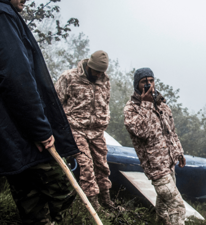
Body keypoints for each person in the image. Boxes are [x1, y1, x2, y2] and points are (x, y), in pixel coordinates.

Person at [0, 0, 80, 224]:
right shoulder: (4, 16)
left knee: (29, 200)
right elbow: (17, 79)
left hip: (11, 136)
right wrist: (41, 129)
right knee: (61, 189)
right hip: (23, 133)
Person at [54, 50, 116, 211]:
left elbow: (106, 103)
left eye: (101, 72)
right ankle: (93, 205)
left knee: (102, 166)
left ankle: (106, 200)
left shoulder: (105, 81)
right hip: (75, 129)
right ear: (89, 65)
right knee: (86, 165)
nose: (98, 74)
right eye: (96, 70)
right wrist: (58, 129)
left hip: (96, 132)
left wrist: (105, 119)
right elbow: (55, 103)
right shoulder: (69, 77)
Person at [124, 68, 186, 225]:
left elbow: (171, 131)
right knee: (177, 206)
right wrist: (146, 104)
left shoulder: (161, 104)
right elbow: (142, 132)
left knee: (164, 205)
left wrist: (179, 152)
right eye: (144, 82)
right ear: (136, 85)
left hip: (169, 162)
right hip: (155, 166)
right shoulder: (131, 108)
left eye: (151, 80)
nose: (149, 84)